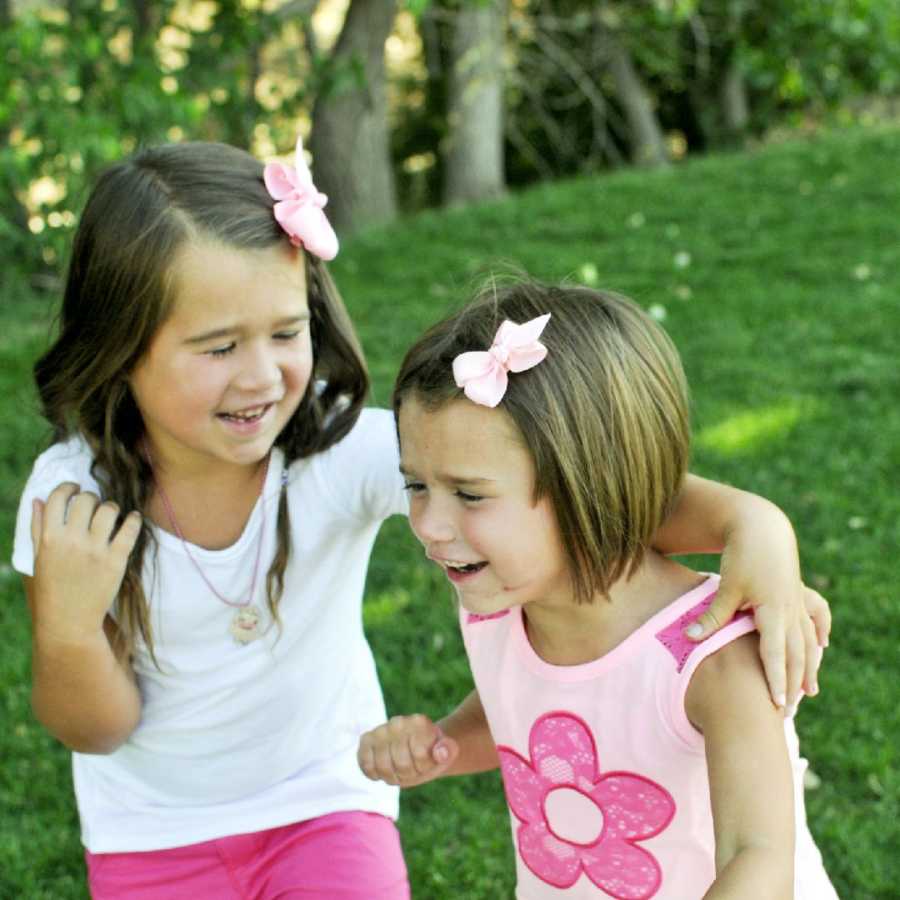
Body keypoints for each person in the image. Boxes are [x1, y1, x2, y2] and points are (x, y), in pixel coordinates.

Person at [12, 137, 825, 900]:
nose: (261, 376)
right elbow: (95, 728)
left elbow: (601, 485)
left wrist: (757, 528)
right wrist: (69, 629)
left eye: (287, 332)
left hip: (327, 803)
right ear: (120, 343)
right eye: (219, 347)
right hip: (149, 829)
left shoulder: (327, 449)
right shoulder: (73, 502)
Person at [358, 280, 838, 898]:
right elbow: (529, 715)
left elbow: (760, 857)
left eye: (469, 494)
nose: (427, 524)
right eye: (416, 486)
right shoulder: (499, 602)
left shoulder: (710, 660)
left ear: (588, 486)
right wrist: (446, 741)